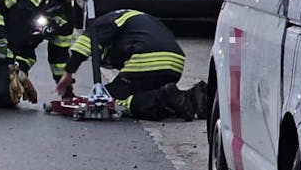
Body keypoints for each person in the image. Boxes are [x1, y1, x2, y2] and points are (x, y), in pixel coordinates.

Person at [55, 9, 207, 121]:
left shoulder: (100, 24)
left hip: (146, 59)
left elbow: (86, 43)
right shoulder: (133, 18)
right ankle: (193, 98)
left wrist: (68, 73)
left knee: (106, 100)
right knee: (141, 90)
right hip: (175, 63)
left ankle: (162, 98)